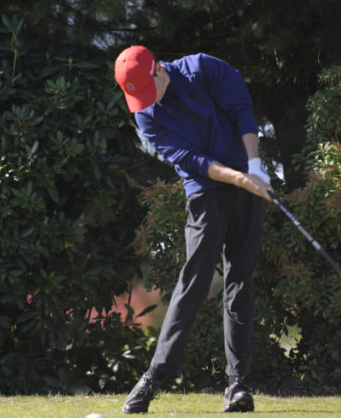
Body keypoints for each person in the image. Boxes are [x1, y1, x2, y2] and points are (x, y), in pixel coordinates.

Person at [114, 46, 273, 414]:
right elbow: (194, 161)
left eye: (146, 91)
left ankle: (237, 386)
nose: (144, 102)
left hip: (246, 177)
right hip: (205, 192)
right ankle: (153, 379)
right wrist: (241, 178)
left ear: (158, 71)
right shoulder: (146, 116)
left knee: (239, 282)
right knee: (194, 282)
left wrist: (255, 164)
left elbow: (241, 108)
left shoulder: (202, 69)